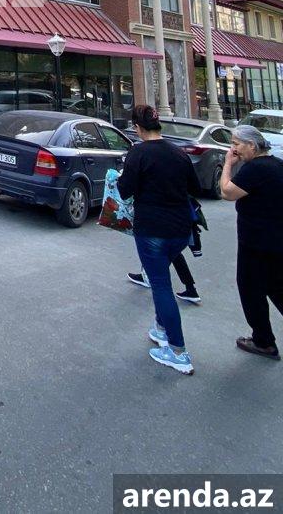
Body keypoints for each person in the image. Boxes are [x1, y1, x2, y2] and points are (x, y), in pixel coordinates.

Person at [117, 104, 201, 375]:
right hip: (180, 230)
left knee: (161, 286)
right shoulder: (178, 153)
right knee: (161, 279)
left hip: (152, 228)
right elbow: (194, 187)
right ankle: (161, 328)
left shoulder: (139, 153)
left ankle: (178, 351)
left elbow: (124, 189)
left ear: (137, 127)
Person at [220, 125, 283, 360]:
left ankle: (263, 341)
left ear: (252, 146)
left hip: (257, 242)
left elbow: (227, 192)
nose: (233, 149)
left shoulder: (256, 168)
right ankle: (263, 339)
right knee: (275, 286)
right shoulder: (276, 164)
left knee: (250, 289)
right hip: (274, 239)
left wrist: (228, 164)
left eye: (236, 144)